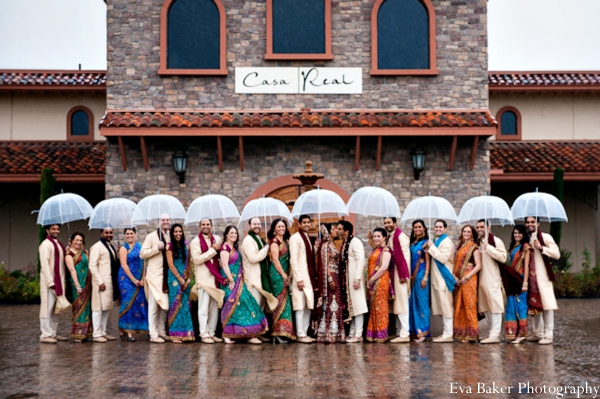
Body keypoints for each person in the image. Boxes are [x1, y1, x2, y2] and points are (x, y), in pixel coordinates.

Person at [219, 225, 269, 344]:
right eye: (231, 233)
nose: (233, 235)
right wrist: (231, 280)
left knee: (246, 304)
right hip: (230, 282)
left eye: (235, 233)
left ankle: (249, 333)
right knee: (230, 305)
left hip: (240, 281)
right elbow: (224, 265)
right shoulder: (225, 247)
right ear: (226, 234)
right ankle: (226, 334)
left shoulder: (236, 247)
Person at [367, 217, 411, 343]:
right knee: (396, 305)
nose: (387, 225)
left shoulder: (401, 237)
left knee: (402, 303)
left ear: (395, 223)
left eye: (389, 222)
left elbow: (405, 257)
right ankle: (398, 331)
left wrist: (404, 275)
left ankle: (404, 334)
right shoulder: (391, 236)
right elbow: (380, 251)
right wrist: (371, 239)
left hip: (400, 274)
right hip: (391, 274)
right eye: (385, 223)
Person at [240, 217, 276, 343]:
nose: (257, 226)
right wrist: (266, 249)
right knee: (254, 308)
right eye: (254, 224)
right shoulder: (248, 240)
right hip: (253, 279)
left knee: (260, 307)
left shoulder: (259, 239)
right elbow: (253, 258)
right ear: (249, 225)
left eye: (258, 224)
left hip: (260, 278)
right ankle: (251, 335)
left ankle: (258, 332)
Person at [525, 216, 560, 345]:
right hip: (530, 278)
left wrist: (541, 248)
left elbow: (557, 254)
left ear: (538, 223)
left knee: (547, 305)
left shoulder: (545, 237)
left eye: (533, 222)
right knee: (534, 305)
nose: (530, 224)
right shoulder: (526, 238)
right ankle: (537, 333)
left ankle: (548, 335)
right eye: (528, 222)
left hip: (543, 276)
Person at [190, 218, 225, 344]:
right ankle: (203, 333)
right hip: (204, 279)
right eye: (203, 224)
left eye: (208, 224)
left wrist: (217, 249)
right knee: (203, 308)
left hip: (215, 278)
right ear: (200, 226)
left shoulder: (217, 239)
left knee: (214, 308)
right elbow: (197, 260)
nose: (206, 226)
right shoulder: (195, 242)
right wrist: (212, 250)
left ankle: (212, 332)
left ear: (211, 225)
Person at [140, 213, 171, 343]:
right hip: (154, 276)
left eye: (167, 220)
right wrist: (156, 248)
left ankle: (161, 331)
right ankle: (153, 334)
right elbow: (142, 254)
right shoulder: (151, 237)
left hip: (166, 277)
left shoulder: (170, 236)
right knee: (153, 306)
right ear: (159, 221)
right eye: (163, 220)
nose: (165, 222)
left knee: (164, 306)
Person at [475, 219, 508, 344]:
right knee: (486, 306)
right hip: (481, 279)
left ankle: (495, 335)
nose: (479, 229)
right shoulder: (478, 242)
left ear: (488, 228)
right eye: (477, 227)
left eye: (482, 227)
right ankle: (491, 333)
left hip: (493, 277)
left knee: (495, 306)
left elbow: (503, 257)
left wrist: (488, 247)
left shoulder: (495, 241)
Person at [315, 223, 346, 343]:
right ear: (327, 232)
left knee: (336, 302)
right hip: (331, 275)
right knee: (330, 302)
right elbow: (324, 263)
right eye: (332, 229)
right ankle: (328, 332)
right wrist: (329, 279)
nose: (335, 231)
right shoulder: (326, 245)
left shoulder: (333, 244)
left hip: (336, 275)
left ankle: (336, 332)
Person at [289, 214, 318, 344]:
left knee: (308, 305)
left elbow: (307, 257)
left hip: (309, 277)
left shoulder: (306, 238)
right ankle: (300, 334)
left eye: (308, 222)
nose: (307, 224)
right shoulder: (295, 238)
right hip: (300, 277)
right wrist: (298, 278)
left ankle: (305, 333)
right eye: (304, 222)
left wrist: (316, 248)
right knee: (300, 306)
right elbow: (294, 259)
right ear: (299, 224)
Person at [426, 220, 455, 343]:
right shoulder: (437, 240)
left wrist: (432, 247)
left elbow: (443, 258)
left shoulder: (447, 242)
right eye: (436, 226)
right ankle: (445, 332)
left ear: (445, 229)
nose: (437, 228)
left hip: (444, 278)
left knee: (446, 305)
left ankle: (448, 334)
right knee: (441, 306)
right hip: (437, 278)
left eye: (440, 227)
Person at [88, 228, 120, 343]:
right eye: (106, 232)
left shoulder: (110, 246)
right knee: (98, 308)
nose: (109, 234)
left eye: (111, 232)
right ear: (101, 233)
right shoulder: (96, 246)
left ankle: (103, 332)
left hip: (110, 281)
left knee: (107, 308)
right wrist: (99, 281)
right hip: (101, 283)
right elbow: (92, 266)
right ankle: (96, 334)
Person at [267, 218, 296, 343]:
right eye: (279, 227)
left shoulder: (287, 241)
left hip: (285, 273)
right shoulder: (274, 242)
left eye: (283, 226)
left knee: (286, 302)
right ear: (274, 228)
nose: (281, 229)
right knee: (279, 302)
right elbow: (275, 260)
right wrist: (284, 275)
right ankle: (277, 332)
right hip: (277, 274)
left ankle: (284, 332)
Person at [338, 220, 367, 343]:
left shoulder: (355, 242)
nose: (337, 230)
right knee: (352, 307)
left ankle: (358, 334)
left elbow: (361, 260)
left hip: (355, 280)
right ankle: (352, 332)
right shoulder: (345, 242)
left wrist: (357, 279)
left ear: (346, 231)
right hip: (348, 280)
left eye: (340, 229)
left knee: (358, 306)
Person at [117, 227, 148, 341]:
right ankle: (127, 331)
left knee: (138, 302)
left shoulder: (140, 246)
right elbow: (124, 265)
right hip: (126, 279)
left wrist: (143, 278)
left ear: (135, 234)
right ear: (125, 235)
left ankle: (133, 328)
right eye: (127, 234)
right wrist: (133, 280)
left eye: (131, 233)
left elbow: (144, 262)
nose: (129, 235)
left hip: (139, 278)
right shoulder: (123, 248)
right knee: (127, 303)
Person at [165, 224, 195, 343]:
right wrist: (180, 279)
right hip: (174, 278)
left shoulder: (186, 245)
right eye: (175, 231)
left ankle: (187, 333)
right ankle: (174, 334)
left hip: (185, 278)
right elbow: (170, 265)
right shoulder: (169, 246)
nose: (178, 233)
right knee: (175, 304)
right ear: (172, 233)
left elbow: (189, 262)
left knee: (185, 306)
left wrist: (188, 279)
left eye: (180, 231)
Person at [453, 225, 482, 343]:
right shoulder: (460, 246)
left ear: (472, 234)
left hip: (469, 279)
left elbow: (479, 265)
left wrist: (467, 277)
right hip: (459, 280)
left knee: (470, 305)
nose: (466, 233)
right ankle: (463, 333)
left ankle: (472, 334)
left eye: (468, 232)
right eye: (464, 231)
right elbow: (456, 264)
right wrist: (455, 277)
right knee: (461, 306)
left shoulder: (475, 248)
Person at [39, 224, 68, 343]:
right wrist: (50, 282)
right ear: (47, 231)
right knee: (47, 308)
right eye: (53, 229)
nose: (56, 231)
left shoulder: (58, 244)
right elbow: (45, 265)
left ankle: (53, 333)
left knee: (56, 309)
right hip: (49, 283)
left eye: (57, 229)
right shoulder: (45, 245)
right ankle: (45, 335)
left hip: (59, 281)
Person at [505, 225, 531, 344]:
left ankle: (522, 333)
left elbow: (526, 266)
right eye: (515, 233)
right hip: (512, 279)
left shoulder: (525, 247)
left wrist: (525, 283)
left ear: (523, 234)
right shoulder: (513, 246)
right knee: (511, 305)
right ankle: (513, 333)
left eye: (519, 233)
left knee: (520, 306)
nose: (517, 235)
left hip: (520, 279)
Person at [365, 228, 392, 343]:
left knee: (380, 307)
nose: (376, 238)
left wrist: (372, 279)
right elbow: (373, 243)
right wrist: (370, 237)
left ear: (384, 237)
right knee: (374, 307)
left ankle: (381, 334)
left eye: (378, 236)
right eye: (375, 236)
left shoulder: (386, 250)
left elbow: (384, 267)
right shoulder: (377, 249)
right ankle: (374, 333)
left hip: (381, 282)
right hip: (373, 281)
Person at [65, 232, 92, 342]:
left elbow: (89, 265)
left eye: (80, 240)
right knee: (79, 307)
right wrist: (77, 285)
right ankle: (78, 334)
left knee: (87, 307)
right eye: (76, 240)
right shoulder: (69, 255)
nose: (78, 242)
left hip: (87, 283)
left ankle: (86, 333)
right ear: (71, 241)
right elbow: (72, 270)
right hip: (77, 283)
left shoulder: (85, 252)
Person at [408, 220, 430, 342]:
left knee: (422, 302)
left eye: (419, 227)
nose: (417, 229)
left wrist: (426, 276)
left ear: (424, 228)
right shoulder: (413, 243)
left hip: (421, 274)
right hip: (412, 275)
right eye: (415, 227)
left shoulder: (426, 243)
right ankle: (415, 331)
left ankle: (423, 333)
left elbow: (428, 261)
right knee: (413, 302)